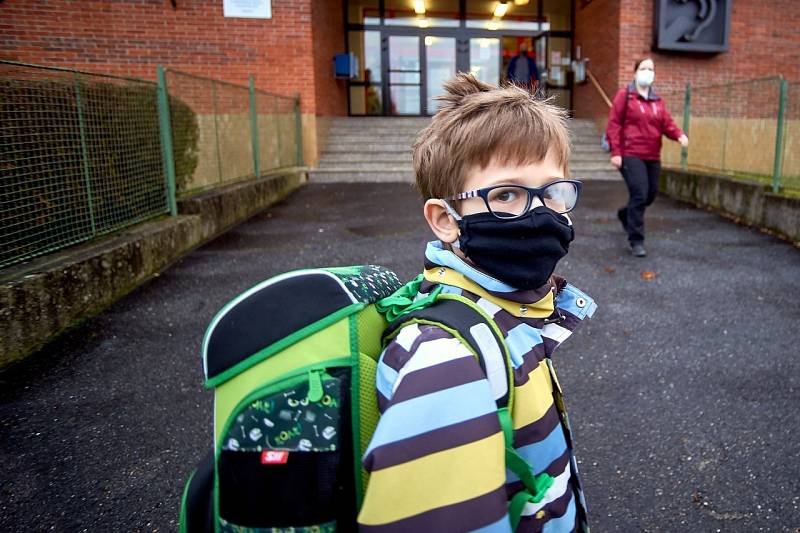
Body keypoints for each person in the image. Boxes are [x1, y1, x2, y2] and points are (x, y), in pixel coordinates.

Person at [357, 73, 597, 532]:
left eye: (553, 190)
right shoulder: (445, 360)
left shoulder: (515, 314)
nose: (540, 213)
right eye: (506, 194)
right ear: (445, 219)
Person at [605, 58, 689, 257]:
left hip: (652, 154)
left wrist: (678, 134)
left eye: (651, 69)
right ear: (635, 72)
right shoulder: (625, 96)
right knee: (640, 194)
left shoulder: (657, 100)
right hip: (631, 154)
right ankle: (636, 240)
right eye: (643, 68)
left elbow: (666, 122)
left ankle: (625, 214)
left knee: (650, 195)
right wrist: (616, 152)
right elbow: (614, 125)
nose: (647, 72)